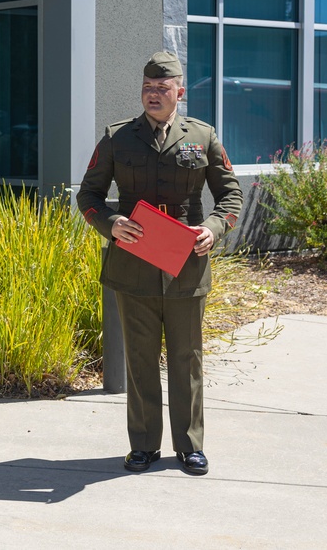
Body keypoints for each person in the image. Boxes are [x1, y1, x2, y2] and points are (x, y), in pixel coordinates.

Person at [76, 51, 243, 476]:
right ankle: (144, 446)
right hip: (134, 262)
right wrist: (112, 224)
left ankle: (189, 446)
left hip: (186, 261)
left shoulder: (202, 137)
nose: (154, 94)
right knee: (141, 358)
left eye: (162, 88)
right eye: (148, 88)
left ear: (179, 93)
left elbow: (230, 196)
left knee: (187, 358)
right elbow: (88, 195)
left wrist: (213, 228)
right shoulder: (118, 138)